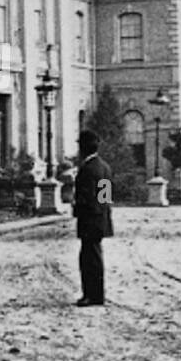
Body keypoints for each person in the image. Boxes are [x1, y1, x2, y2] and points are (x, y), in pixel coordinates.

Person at [73, 129, 113, 305]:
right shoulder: (105, 167)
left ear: (83, 148)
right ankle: (97, 294)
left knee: (88, 259)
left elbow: (84, 198)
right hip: (101, 218)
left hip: (89, 220)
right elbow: (105, 197)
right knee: (95, 257)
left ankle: (91, 296)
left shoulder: (87, 169)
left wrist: (77, 209)